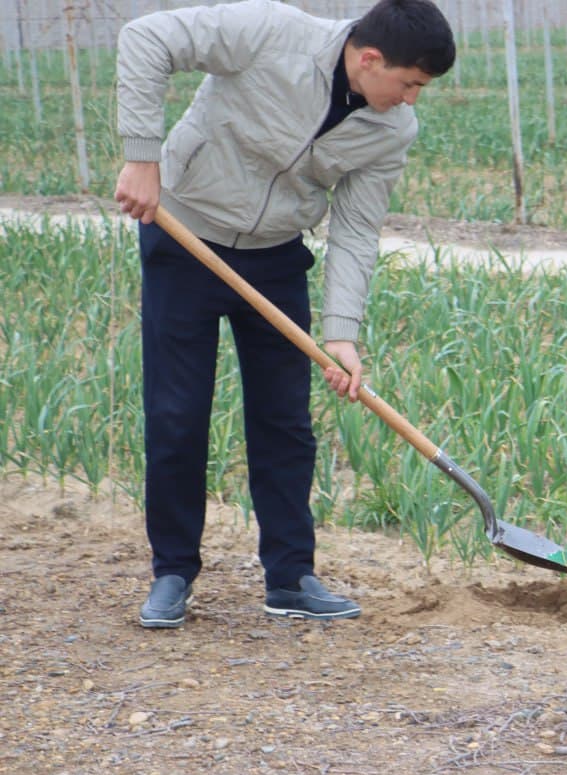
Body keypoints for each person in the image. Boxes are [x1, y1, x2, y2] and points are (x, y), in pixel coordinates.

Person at [114, 0, 455, 628]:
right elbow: (146, 37)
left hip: (274, 258)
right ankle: (172, 573)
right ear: (371, 58)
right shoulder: (271, 32)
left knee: (285, 424)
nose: (411, 101)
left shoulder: (390, 131)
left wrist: (342, 335)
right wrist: (142, 155)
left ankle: (291, 576)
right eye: (409, 84)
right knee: (176, 412)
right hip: (185, 236)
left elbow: (355, 230)